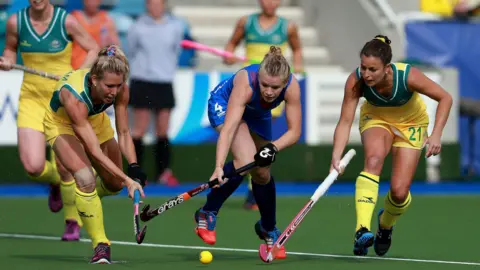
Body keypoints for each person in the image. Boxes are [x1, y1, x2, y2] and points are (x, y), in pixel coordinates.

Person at [330, 35, 452, 257]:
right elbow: (345, 121)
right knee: (374, 160)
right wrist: (336, 157)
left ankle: (385, 226)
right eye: (363, 67)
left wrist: (436, 134)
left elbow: (445, 98)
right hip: (377, 118)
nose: (366, 74)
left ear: (387, 68)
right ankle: (361, 231)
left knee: (398, 192)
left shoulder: (408, 76)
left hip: (412, 123)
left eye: (372, 69)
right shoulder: (356, 81)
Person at [0, 0, 99, 241]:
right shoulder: (16, 21)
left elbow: (93, 48)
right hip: (31, 98)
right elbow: (11, 49)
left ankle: (72, 221)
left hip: (60, 100)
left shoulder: (67, 21)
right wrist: (8, 58)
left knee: (66, 165)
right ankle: (56, 183)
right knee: (33, 166)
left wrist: (78, 75)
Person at [194, 46, 302, 260]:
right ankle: (207, 211)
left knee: (262, 172)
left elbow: (294, 132)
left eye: (275, 87)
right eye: (265, 85)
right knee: (245, 159)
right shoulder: (246, 83)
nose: (269, 92)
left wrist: (272, 148)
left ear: (284, 82)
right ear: (259, 78)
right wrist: (218, 167)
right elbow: (229, 129)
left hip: (258, 113)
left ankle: (267, 228)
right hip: (225, 105)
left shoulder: (292, 87)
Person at [43, 45, 146, 264]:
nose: (114, 92)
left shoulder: (120, 90)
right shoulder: (74, 98)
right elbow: (94, 151)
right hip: (62, 125)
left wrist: (134, 167)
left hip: (95, 121)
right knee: (85, 178)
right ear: (94, 80)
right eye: (109, 86)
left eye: (118, 86)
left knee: (114, 184)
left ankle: (84, 199)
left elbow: (124, 132)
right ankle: (101, 245)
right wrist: (129, 180)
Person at [223, 0, 303, 210]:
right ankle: (246, 183)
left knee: (259, 141)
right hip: (249, 86)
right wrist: (229, 55)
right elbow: (231, 45)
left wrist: (299, 68)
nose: (270, 2)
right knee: (242, 139)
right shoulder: (246, 22)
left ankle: (253, 191)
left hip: (271, 89)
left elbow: (297, 50)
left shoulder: (288, 26)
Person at [127, 0, 184, 186]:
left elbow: (176, 51)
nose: (155, 6)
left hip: (164, 82)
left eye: (159, 3)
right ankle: (136, 173)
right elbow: (132, 51)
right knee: (139, 130)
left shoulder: (175, 26)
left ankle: (164, 172)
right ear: (147, 5)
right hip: (142, 81)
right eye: (152, 3)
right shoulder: (137, 27)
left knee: (163, 130)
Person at [71, 0, 120, 69]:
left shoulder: (106, 20)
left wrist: (109, 52)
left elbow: (115, 47)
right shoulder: (73, 18)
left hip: (96, 68)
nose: (92, 2)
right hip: (75, 66)